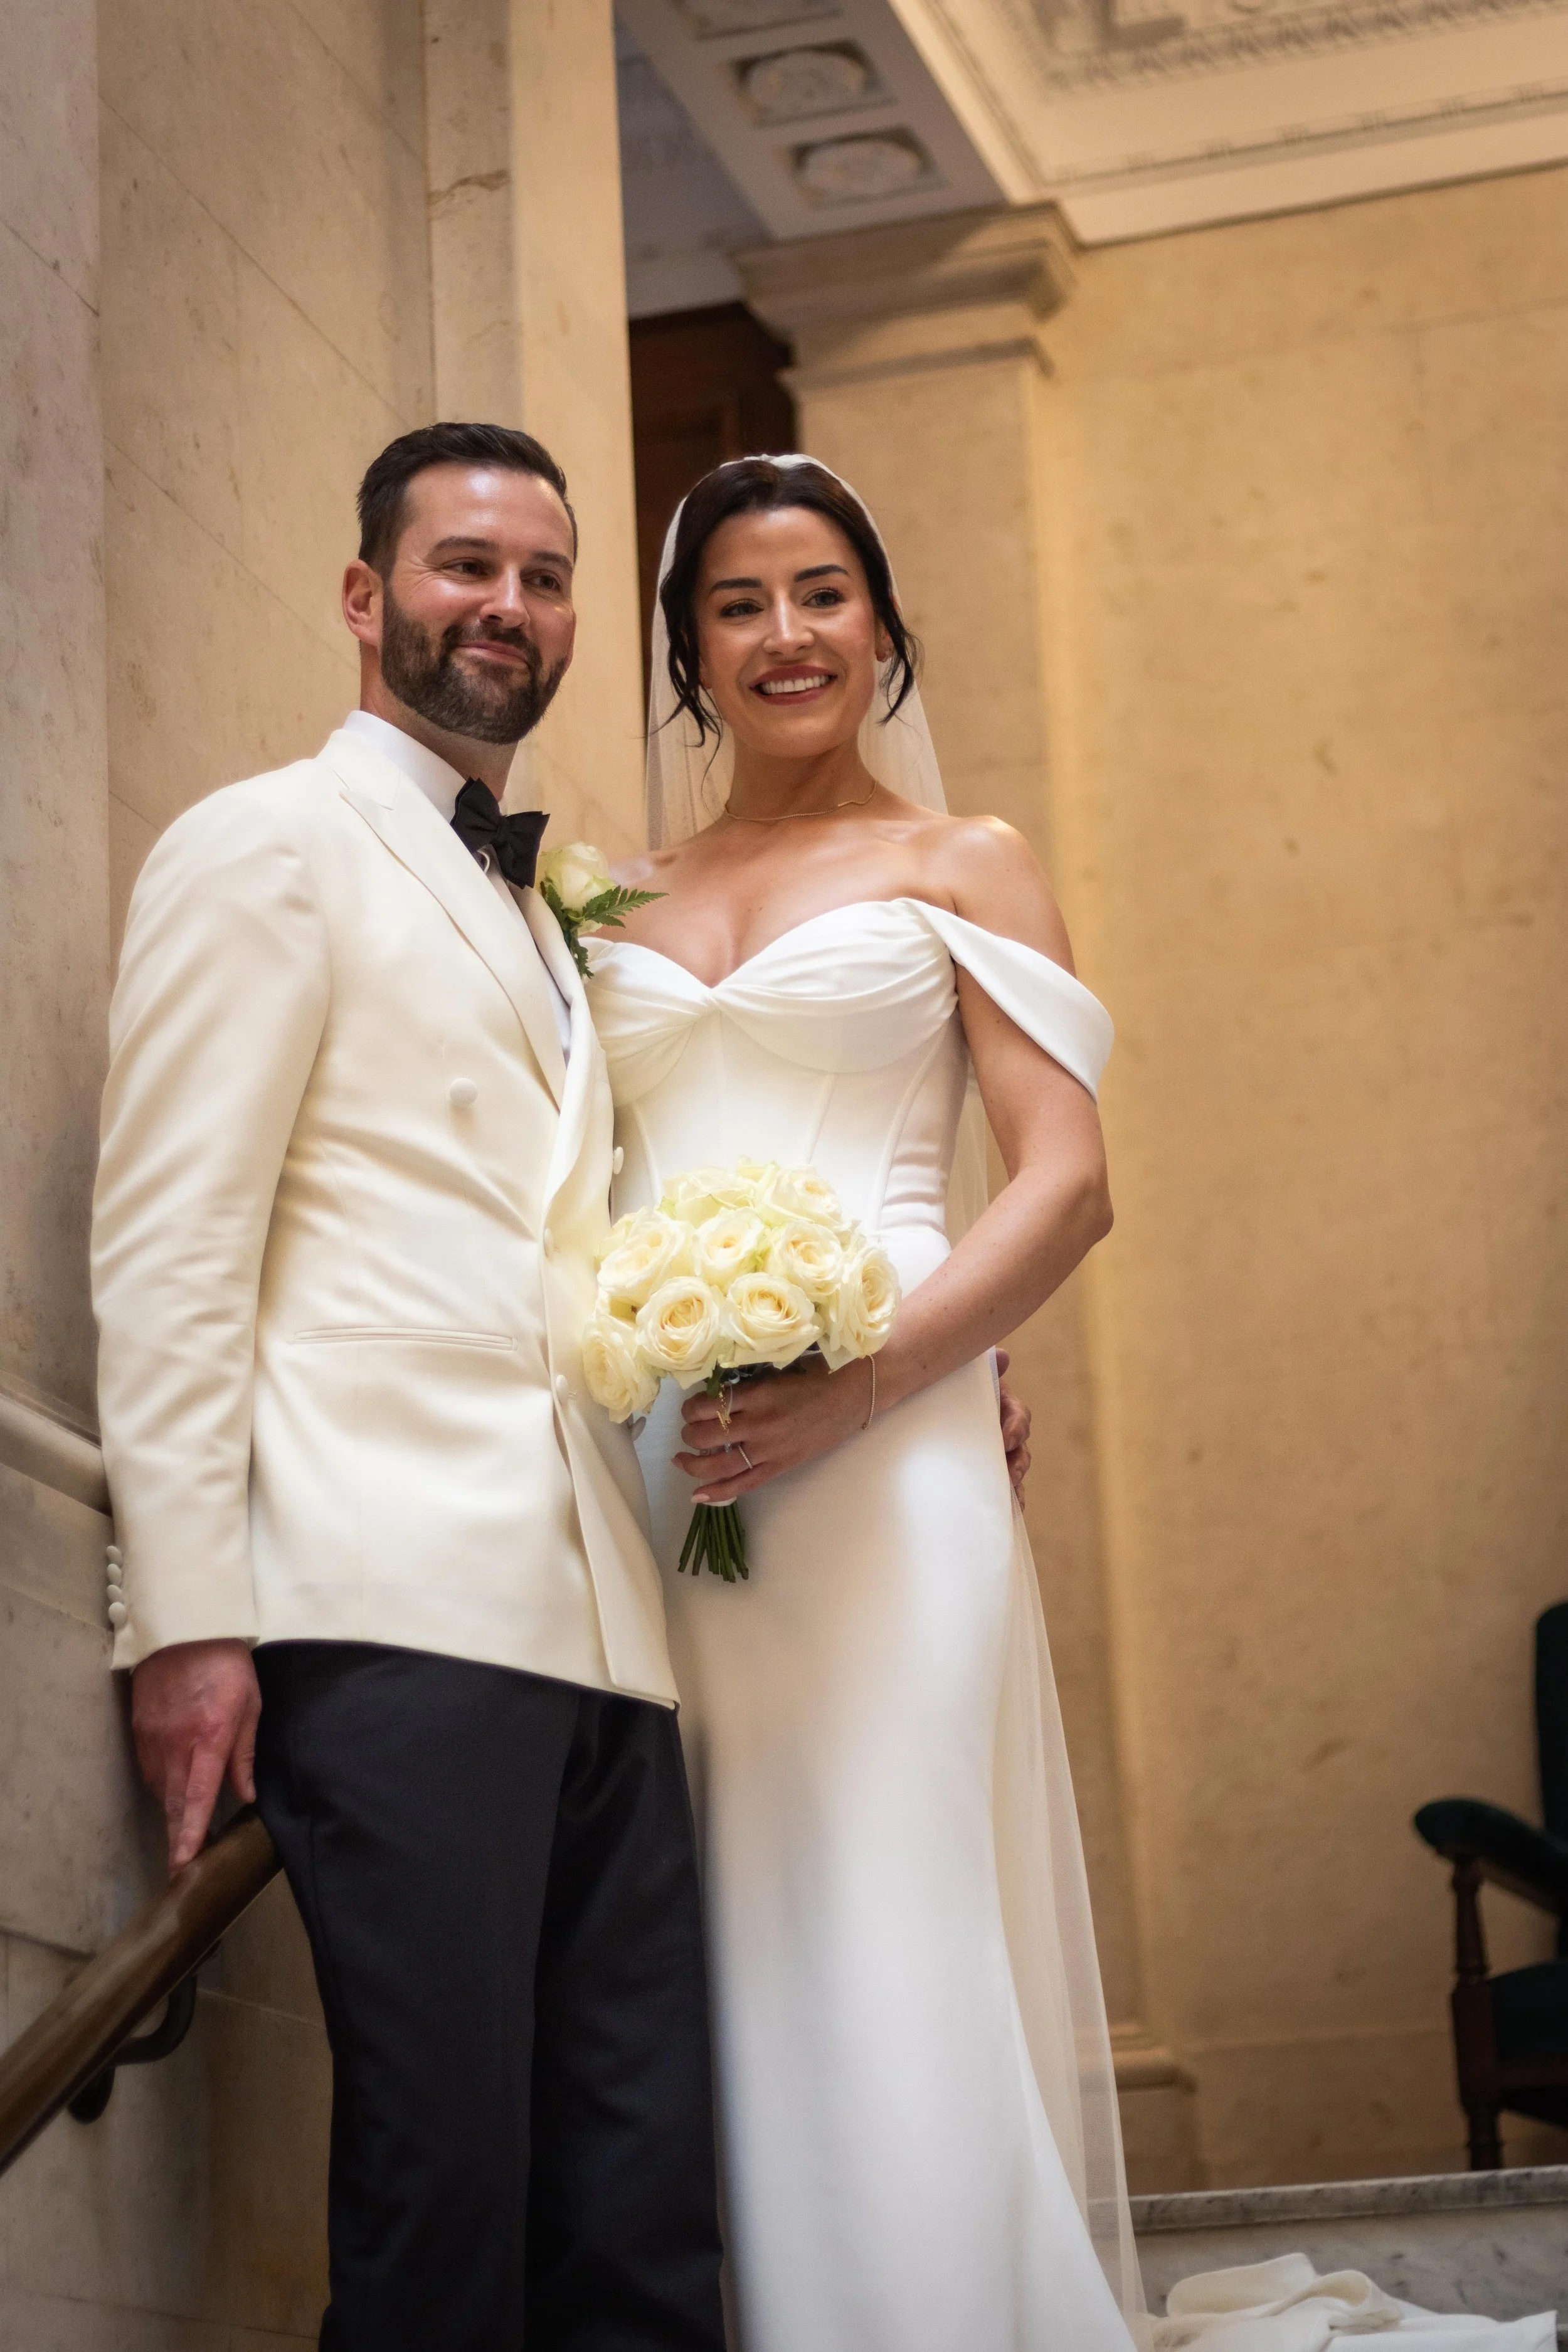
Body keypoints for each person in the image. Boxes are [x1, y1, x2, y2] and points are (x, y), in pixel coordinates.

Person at [90, 421, 728, 2351]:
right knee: (439, 2188)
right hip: (386, 1608)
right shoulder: (264, 842)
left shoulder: (554, 922)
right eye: (464, 565)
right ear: (368, 597)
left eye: (540, 577)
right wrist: (187, 1614)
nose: (506, 607)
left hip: (603, 1628)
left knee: (634, 2199)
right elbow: (171, 1241)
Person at [590, 455, 1143, 2351]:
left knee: (886, 1889)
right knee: (710, 1919)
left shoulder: (960, 860)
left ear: (883, 627)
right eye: (736, 606)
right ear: (687, 657)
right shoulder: (602, 893)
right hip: (660, 1471)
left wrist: (876, 1383)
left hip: (889, 1456)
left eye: (820, 593)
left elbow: (1061, 1179)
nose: (784, 635)